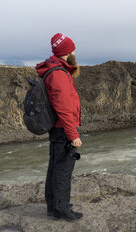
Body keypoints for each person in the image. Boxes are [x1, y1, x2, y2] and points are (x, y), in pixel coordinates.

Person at [35, 33, 83, 221]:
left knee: (55, 168)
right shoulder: (58, 74)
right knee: (63, 170)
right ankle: (63, 209)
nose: (73, 52)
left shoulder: (55, 70)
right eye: (71, 49)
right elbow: (63, 107)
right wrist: (73, 135)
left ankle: (53, 208)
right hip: (63, 129)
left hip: (58, 128)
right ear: (66, 52)